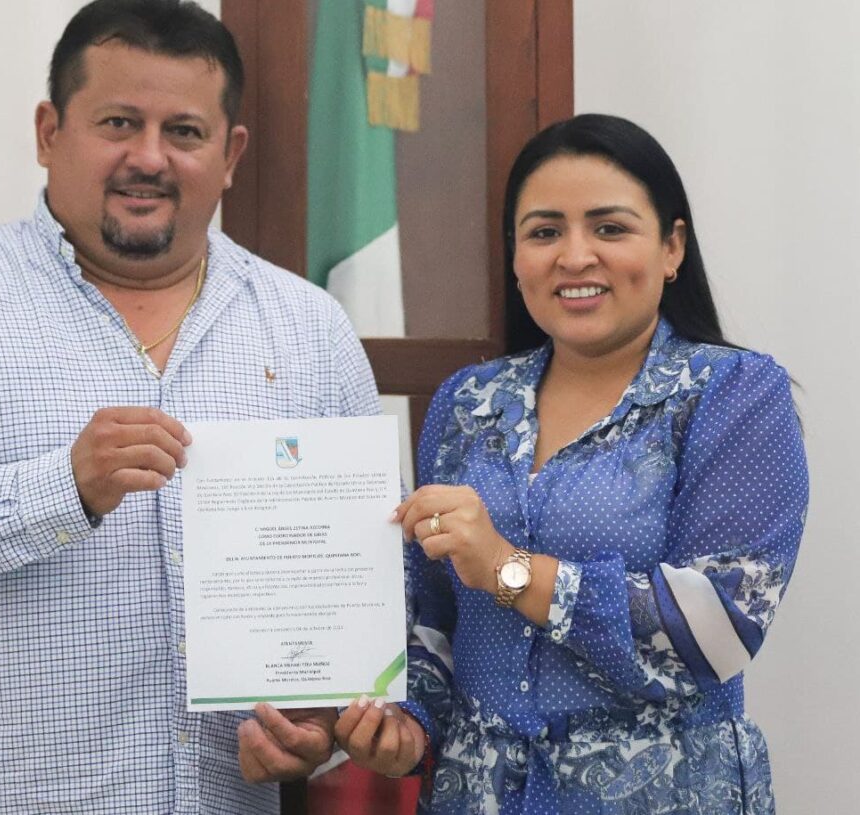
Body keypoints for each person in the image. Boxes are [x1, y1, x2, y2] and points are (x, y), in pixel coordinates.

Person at [0, 1, 375, 812]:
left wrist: (322, 730)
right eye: (119, 123)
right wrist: (60, 490)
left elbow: (359, 581)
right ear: (49, 132)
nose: (149, 158)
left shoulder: (309, 329)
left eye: (185, 132)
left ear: (230, 153)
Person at [333, 114, 808, 814]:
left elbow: (719, 626)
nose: (575, 256)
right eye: (544, 232)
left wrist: (509, 568)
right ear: (516, 255)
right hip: (478, 795)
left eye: (610, 228)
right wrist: (410, 724)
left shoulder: (734, 392)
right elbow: (434, 617)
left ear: (672, 247)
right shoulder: (468, 402)